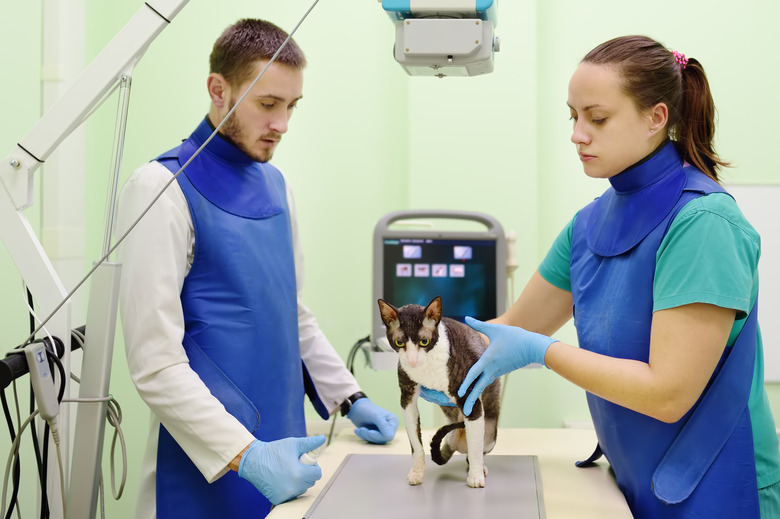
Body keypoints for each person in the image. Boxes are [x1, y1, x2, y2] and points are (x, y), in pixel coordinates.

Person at [425, 35, 780, 517]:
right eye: (573, 116)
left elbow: (669, 393)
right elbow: (510, 330)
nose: (577, 133)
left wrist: (542, 352)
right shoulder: (588, 225)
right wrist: (444, 360)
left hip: (720, 487)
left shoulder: (705, 225)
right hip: (633, 478)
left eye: (597, 118)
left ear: (656, 118)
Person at [116, 18, 398, 519]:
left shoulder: (277, 187)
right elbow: (155, 364)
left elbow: (287, 311)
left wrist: (350, 398)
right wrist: (246, 456)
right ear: (217, 90)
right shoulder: (160, 188)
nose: (282, 124)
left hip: (285, 457)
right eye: (268, 104)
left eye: (291, 107)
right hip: (207, 466)